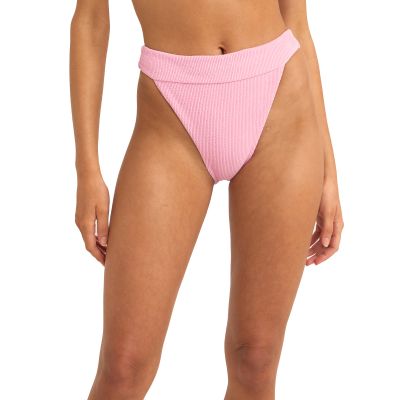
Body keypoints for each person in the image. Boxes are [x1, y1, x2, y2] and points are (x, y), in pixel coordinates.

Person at [70, 0, 344, 398]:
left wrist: (328, 171)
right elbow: (91, 21)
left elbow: (296, 22)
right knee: (123, 366)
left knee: (256, 358)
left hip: (282, 108)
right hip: (169, 118)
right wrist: (87, 169)